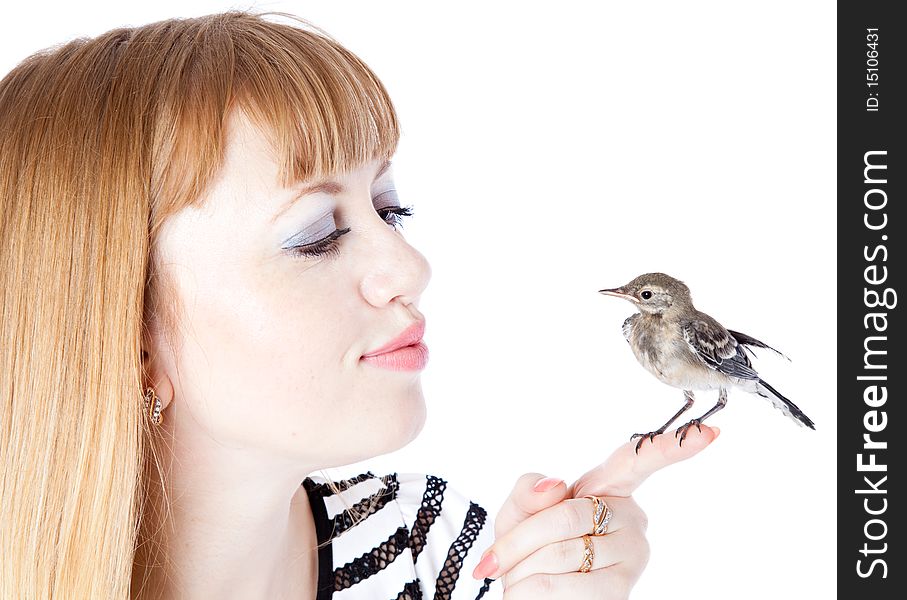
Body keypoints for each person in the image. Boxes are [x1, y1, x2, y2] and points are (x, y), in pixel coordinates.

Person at [0, 10, 717, 599]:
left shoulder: (426, 549)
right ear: (135, 340)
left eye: (390, 210)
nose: (409, 266)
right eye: (315, 236)